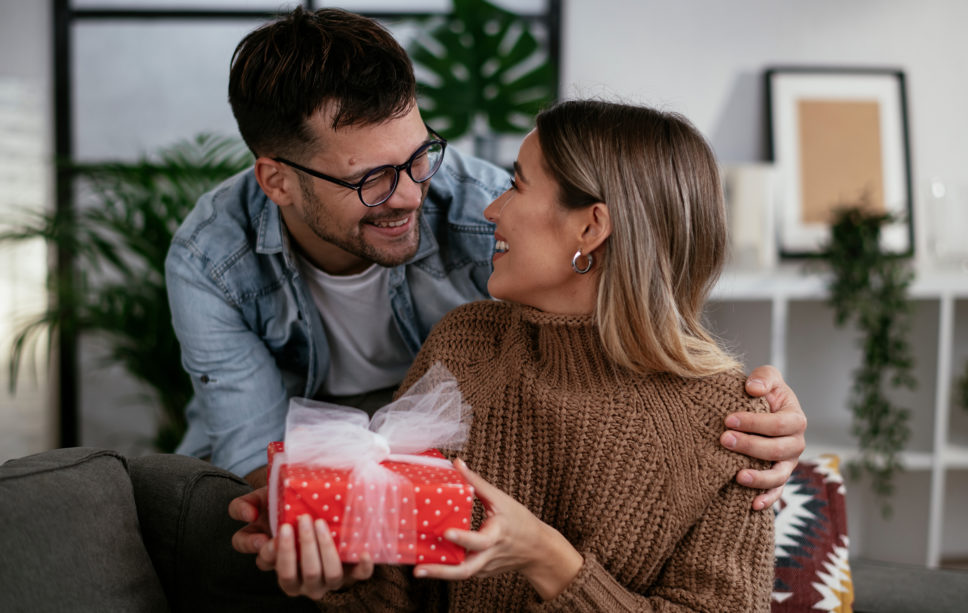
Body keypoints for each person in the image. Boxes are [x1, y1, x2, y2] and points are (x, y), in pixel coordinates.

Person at [167, 7, 804, 501]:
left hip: (452, 452)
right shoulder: (211, 259)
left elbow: (620, 307)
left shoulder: (480, 208)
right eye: (371, 181)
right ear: (277, 180)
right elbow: (257, 453)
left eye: (418, 157)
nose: (412, 194)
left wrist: (753, 407)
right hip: (294, 453)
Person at [241, 100, 777, 610]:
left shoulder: (734, 430)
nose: (491, 209)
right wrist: (344, 577)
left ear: (590, 228)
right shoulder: (465, 344)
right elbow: (398, 590)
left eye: (516, 186)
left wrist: (548, 560)